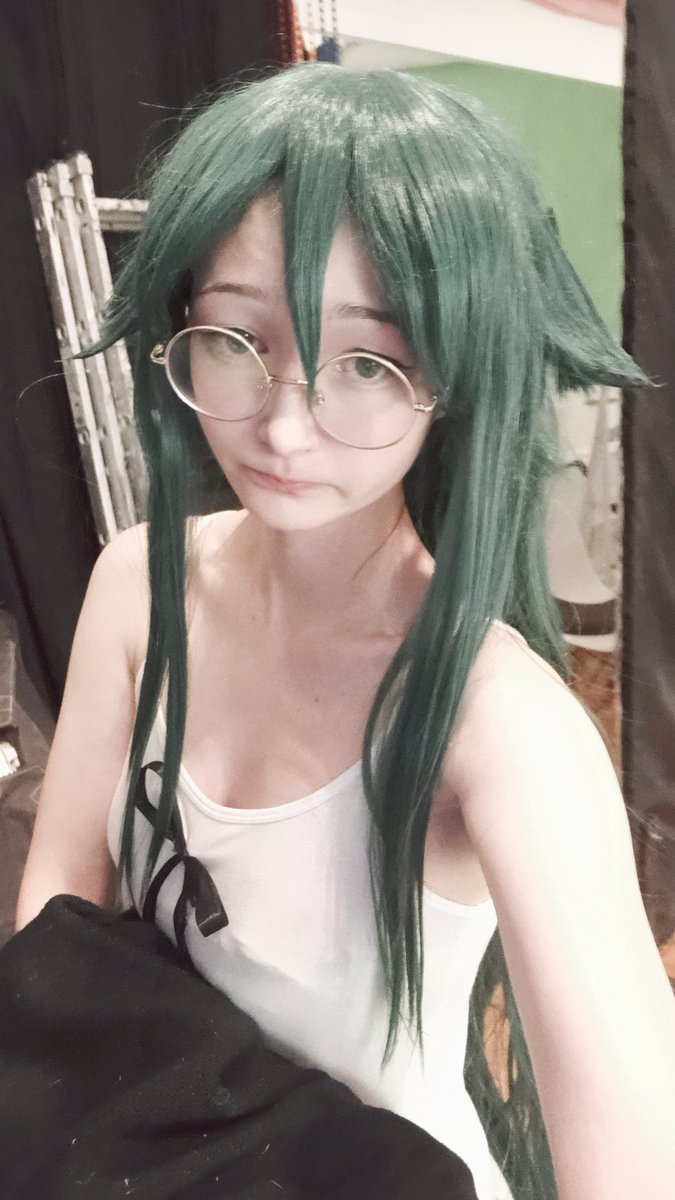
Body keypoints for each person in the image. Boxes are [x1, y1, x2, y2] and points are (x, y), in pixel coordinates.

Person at [15, 63, 675, 1200]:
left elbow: (636, 1166)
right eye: (237, 338)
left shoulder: (495, 719)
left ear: (451, 380)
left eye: (366, 363)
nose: (284, 425)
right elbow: (59, 921)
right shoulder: (139, 585)